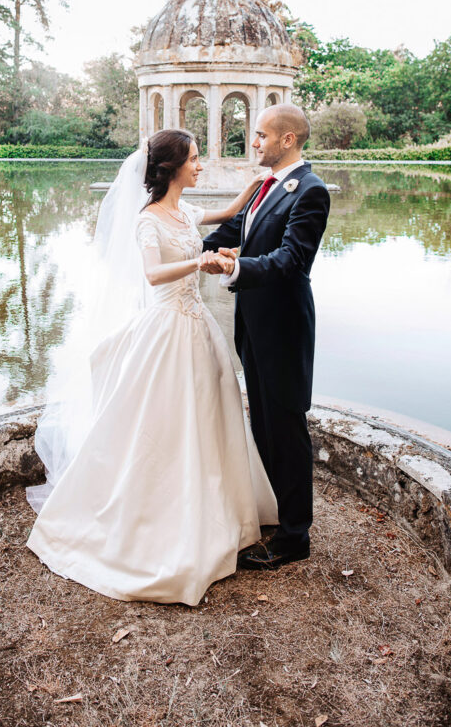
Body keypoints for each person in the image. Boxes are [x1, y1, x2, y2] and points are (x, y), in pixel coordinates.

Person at [26, 129, 278, 606]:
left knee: (207, 413)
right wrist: (198, 262)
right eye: (194, 158)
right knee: (162, 421)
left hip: (197, 325)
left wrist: (258, 183)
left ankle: (216, 509)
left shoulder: (183, 212)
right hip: (166, 326)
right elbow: (152, 274)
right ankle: (154, 518)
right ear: (172, 168)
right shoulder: (148, 221)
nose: (200, 165)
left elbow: (227, 213)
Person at [201, 104, 331, 570]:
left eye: (260, 136)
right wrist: (185, 248)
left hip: (283, 325)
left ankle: (295, 536)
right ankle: (276, 512)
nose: (254, 142)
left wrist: (235, 266)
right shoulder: (265, 187)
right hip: (252, 322)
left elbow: (292, 259)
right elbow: (237, 230)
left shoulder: (309, 191)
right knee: (263, 424)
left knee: (287, 427)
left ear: (287, 140)